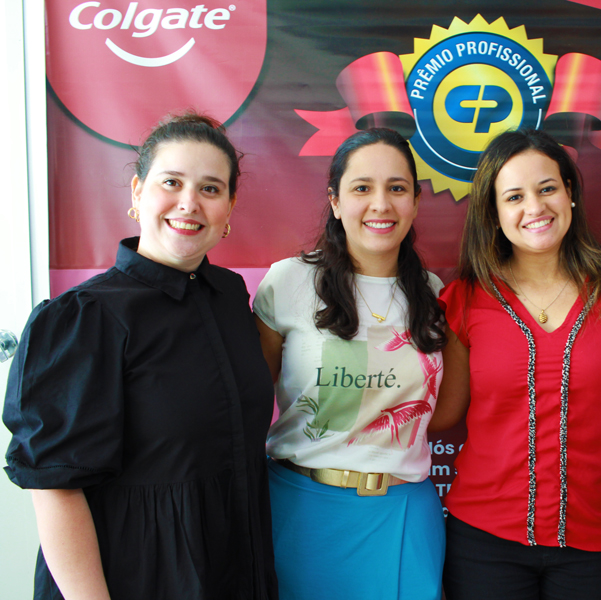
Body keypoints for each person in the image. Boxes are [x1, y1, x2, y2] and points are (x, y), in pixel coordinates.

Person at [3, 113, 278, 599]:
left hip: (233, 568)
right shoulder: (84, 317)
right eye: (171, 182)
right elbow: (56, 489)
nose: (189, 203)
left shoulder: (230, 296)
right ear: (137, 191)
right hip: (134, 575)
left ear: (229, 206)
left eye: (210, 188)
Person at [432, 128, 601, 600]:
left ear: (570, 193)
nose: (535, 207)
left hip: (596, 544)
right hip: (483, 542)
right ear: (493, 213)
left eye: (547, 188)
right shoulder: (465, 299)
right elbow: (444, 415)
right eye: (514, 197)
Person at [253, 128, 447, 600]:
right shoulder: (288, 281)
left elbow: (445, 411)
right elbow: (251, 400)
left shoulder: (435, 292)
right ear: (336, 201)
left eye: (396, 188)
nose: (381, 204)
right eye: (362, 188)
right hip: (300, 510)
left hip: (403, 515)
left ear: (415, 202)